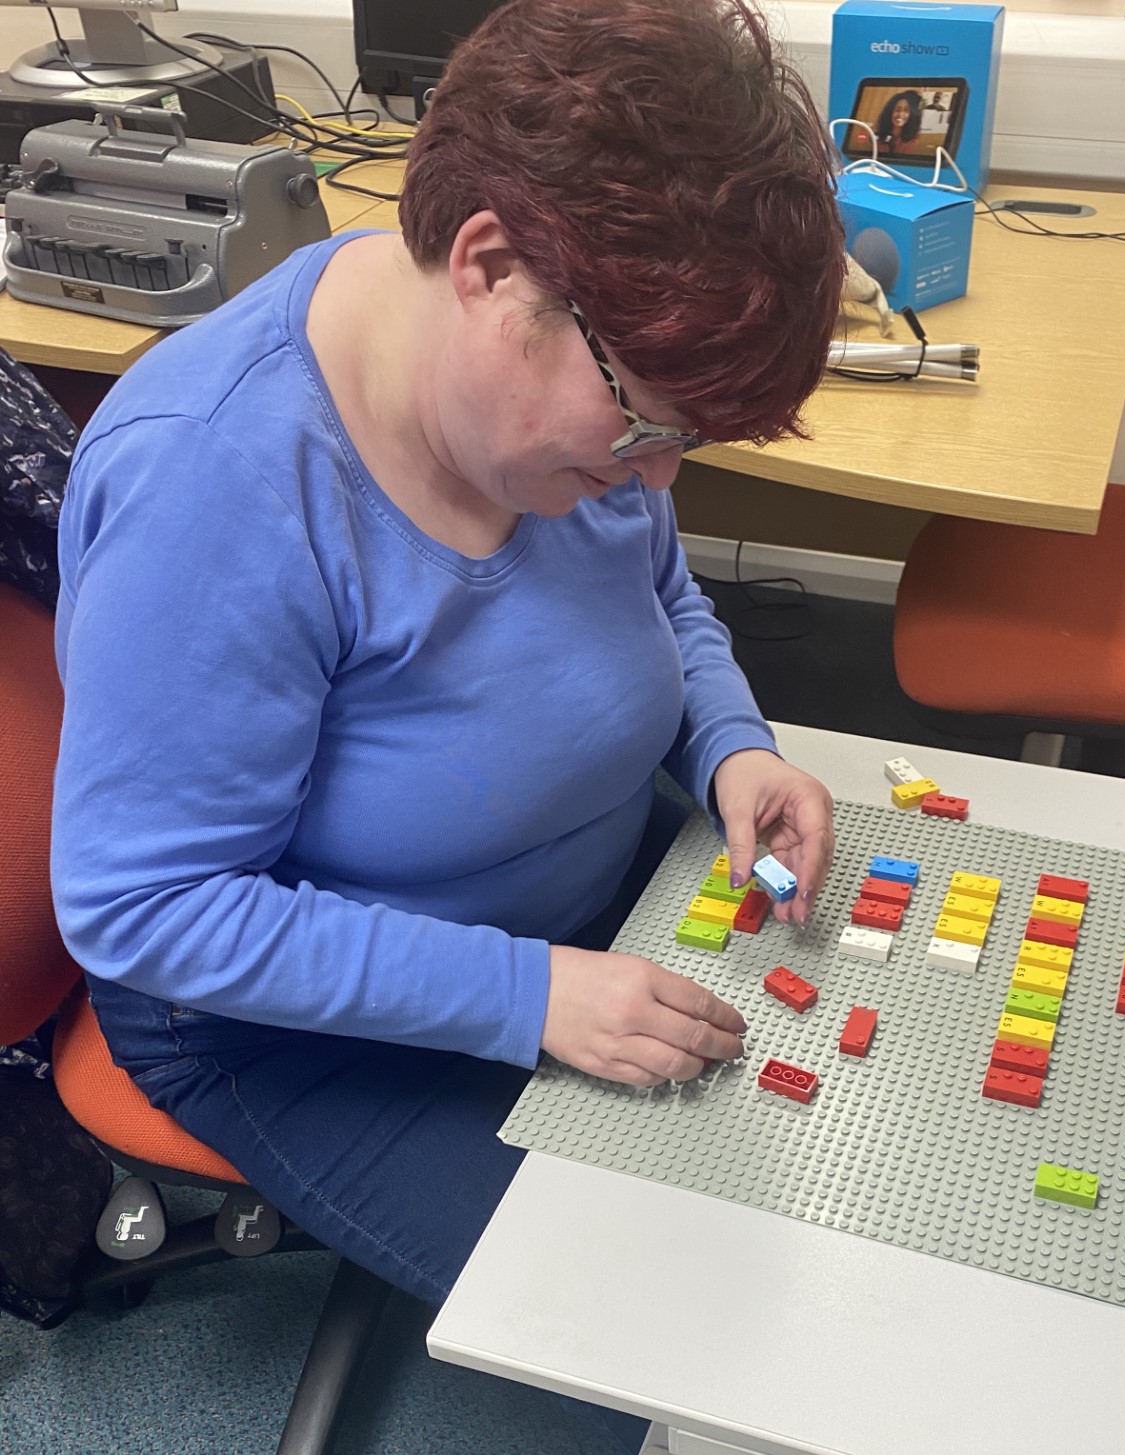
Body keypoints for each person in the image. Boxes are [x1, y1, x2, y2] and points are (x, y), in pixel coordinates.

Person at [50, 0, 847, 1309]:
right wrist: (527, 996)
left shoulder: (577, 407)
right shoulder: (218, 484)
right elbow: (147, 908)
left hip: (573, 895)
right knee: (696, 1310)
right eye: (646, 423)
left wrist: (728, 745)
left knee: (843, 1178)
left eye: (684, 443)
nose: (653, 476)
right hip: (281, 1018)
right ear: (485, 266)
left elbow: (657, 588)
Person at [876, 89, 923, 157]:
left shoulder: (913, 140)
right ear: (890, 112)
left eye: (906, 111)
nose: (900, 115)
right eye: (897, 110)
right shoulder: (879, 136)